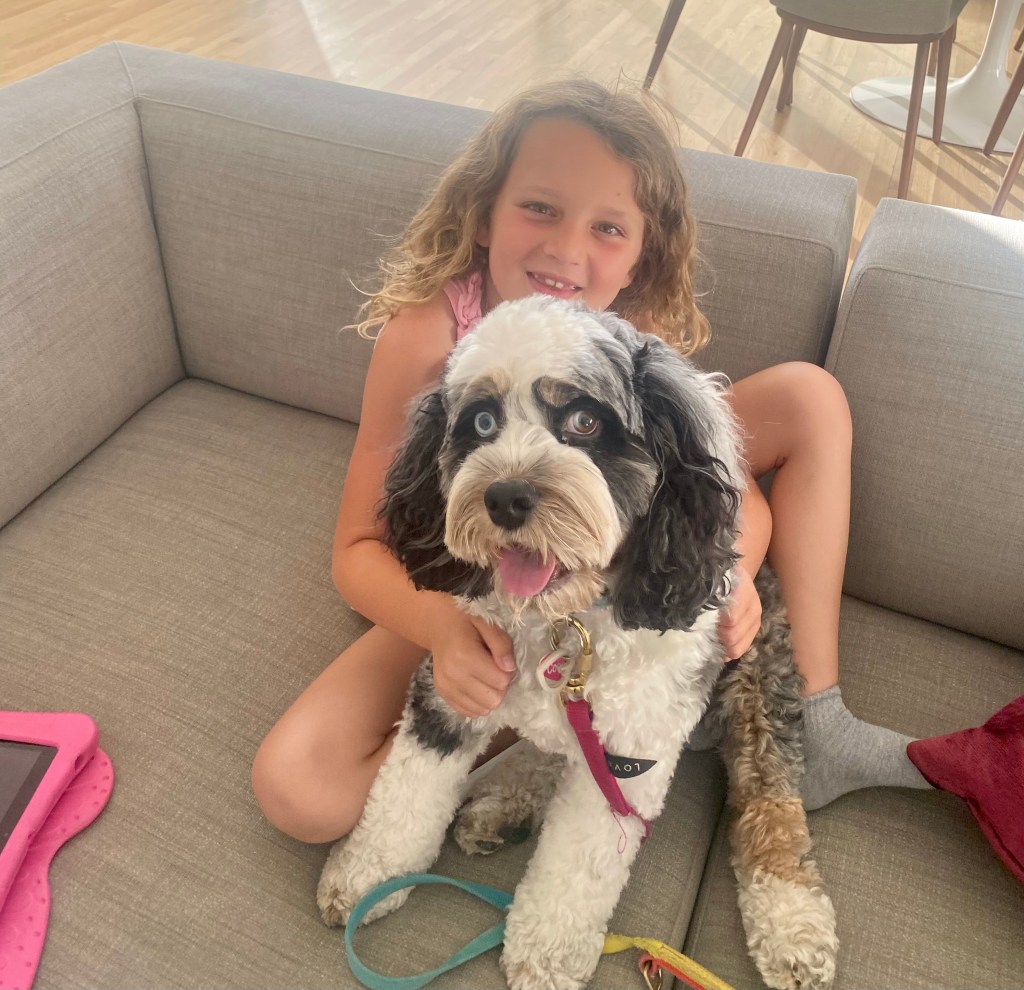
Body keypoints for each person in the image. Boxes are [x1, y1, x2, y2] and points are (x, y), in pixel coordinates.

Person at [251, 79, 929, 844]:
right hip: (477, 587)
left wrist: (730, 577)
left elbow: (724, 490)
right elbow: (356, 550)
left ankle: (815, 710)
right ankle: (535, 742)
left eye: (608, 227)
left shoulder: (629, 332)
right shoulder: (426, 339)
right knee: (299, 789)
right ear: (483, 212)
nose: (567, 250)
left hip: (598, 583)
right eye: (540, 207)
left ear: (642, 255)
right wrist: (444, 632)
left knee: (810, 398)